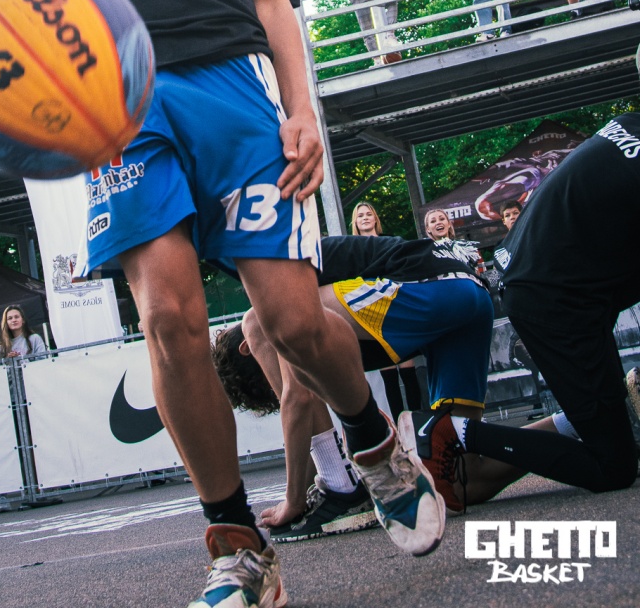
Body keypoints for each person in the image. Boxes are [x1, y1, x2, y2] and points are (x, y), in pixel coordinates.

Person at [0, 0, 445, 602]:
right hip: (126, 101)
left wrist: (303, 110)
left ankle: (375, 441)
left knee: (291, 320)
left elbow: (277, 2)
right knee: (168, 317)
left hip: (235, 88)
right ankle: (238, 546)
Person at [409, 111, 640, 500]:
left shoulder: (629, 123)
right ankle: (451, 432)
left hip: (549, 283)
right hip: (553, 300)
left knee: (612, 422)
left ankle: (470, 456)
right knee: (614, 467)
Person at [213, 229, 493, 535]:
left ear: (247, 349)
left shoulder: (272, 303)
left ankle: (341, 486)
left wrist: (293, 500)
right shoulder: (330, 332)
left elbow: (298, 398)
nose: (277, 376)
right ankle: (539, 439)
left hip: (429, 284)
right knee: (463, 475)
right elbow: (306, 413)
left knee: (257, 321)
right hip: (467, 291)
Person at [348, 203, 421, 421]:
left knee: (408, 370)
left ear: (375, 219)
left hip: (396, 306)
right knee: (389, 375)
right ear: (355, 222)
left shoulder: (391, 242)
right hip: (373, 312)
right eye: (360, 215)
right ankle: (399, 425)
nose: (365, 218)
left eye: (368, 214)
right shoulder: (351, 248)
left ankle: (417, 421)